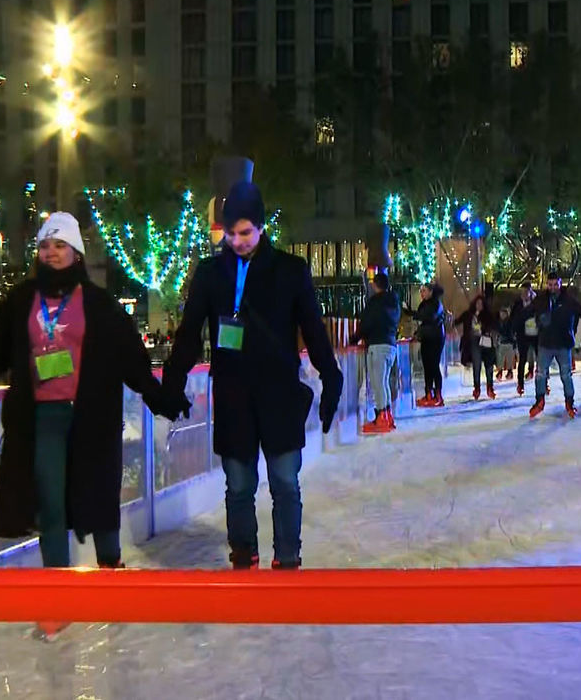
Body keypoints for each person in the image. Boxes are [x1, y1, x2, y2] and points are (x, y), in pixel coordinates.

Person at [0, 213, 185, 577]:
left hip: (90, 416)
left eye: (60, 245)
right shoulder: (20, 300)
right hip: (42, 419)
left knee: (98, 493)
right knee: (49, 501)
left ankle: (110, 564)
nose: (51, 253)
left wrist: (160, 396)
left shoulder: (98, 303)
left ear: (76, 252)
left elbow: (129, 357)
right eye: (45, 246)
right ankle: (56, 585)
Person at [162, 181, 342, 571]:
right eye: (230, 233)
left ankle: (288, 557)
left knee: (284, 481)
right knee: (239, 485)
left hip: (278, 394)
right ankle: (243, 555)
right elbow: (190, 332)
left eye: (245, 232)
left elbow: (313, 328)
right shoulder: (211, 274)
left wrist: (332, 377)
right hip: (233, 396)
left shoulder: (291, 271)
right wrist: (172, 381)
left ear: (261, 227)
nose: (238, 241)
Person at [516, 274, 581, 419]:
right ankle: (539, 400)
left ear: (560, 284)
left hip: (563, 344)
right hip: (545, 343)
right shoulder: (541, 300)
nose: (553, 288)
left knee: (566, 375)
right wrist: (514, 322)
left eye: (555, 285)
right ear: (547, 284)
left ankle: (569, 402)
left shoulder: (568, 300)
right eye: (550, 285)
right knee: (540, 374)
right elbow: (526, 312)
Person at [351, 271, 401, 434]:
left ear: (375, 285)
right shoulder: (394, 302)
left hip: (378, 345)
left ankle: (381, 418)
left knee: (378, 383)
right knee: (384, 382)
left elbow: (367, 323)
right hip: (391, 345)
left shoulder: (375, 302)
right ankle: (386, 415)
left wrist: (355, 338)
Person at [456, 294, 499, 400]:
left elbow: (494, 325)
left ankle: (490, 387)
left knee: (489, 366)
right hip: (474, 341)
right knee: (477, 365)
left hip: (486, 341)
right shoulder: (469, 314)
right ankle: (477, 388)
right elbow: (458, 321)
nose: (479, 306)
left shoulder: (488, 315)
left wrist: (487, 329)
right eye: (477, 304)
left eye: (481, 304)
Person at [412, 283, 447, 407]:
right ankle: (428, 393)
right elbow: (424, 321)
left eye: (424, 291)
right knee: (427, 366)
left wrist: (413, 314)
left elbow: (429, 317)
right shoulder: (425, 304)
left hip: (435, 338)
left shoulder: (435, 304)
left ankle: (438, 395)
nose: (422, 293)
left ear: (431, 292)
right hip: (426, 338)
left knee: (433, 365)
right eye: (421, 291)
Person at [509, 284, 538, 396]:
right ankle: (520, 384)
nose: (525, 294)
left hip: (536, 334)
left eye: (527, 291)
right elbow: (513, 319)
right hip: (523, 335)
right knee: (522, 359)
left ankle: (543, 383)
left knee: (540, 359)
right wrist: (514, 331)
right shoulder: (518, 304)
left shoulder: (537, 303)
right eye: (523, 292)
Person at [497, 306, 517, 380]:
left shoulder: (509, 322)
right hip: (502, 342)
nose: (501, 315)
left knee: (509, 358)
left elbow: (511, 333)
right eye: (501, 314)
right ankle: (500, 371)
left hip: (509, 342)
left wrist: (513, 341)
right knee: (500, 358)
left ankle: (509, 372)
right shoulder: (499, 322)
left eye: (503, 314)